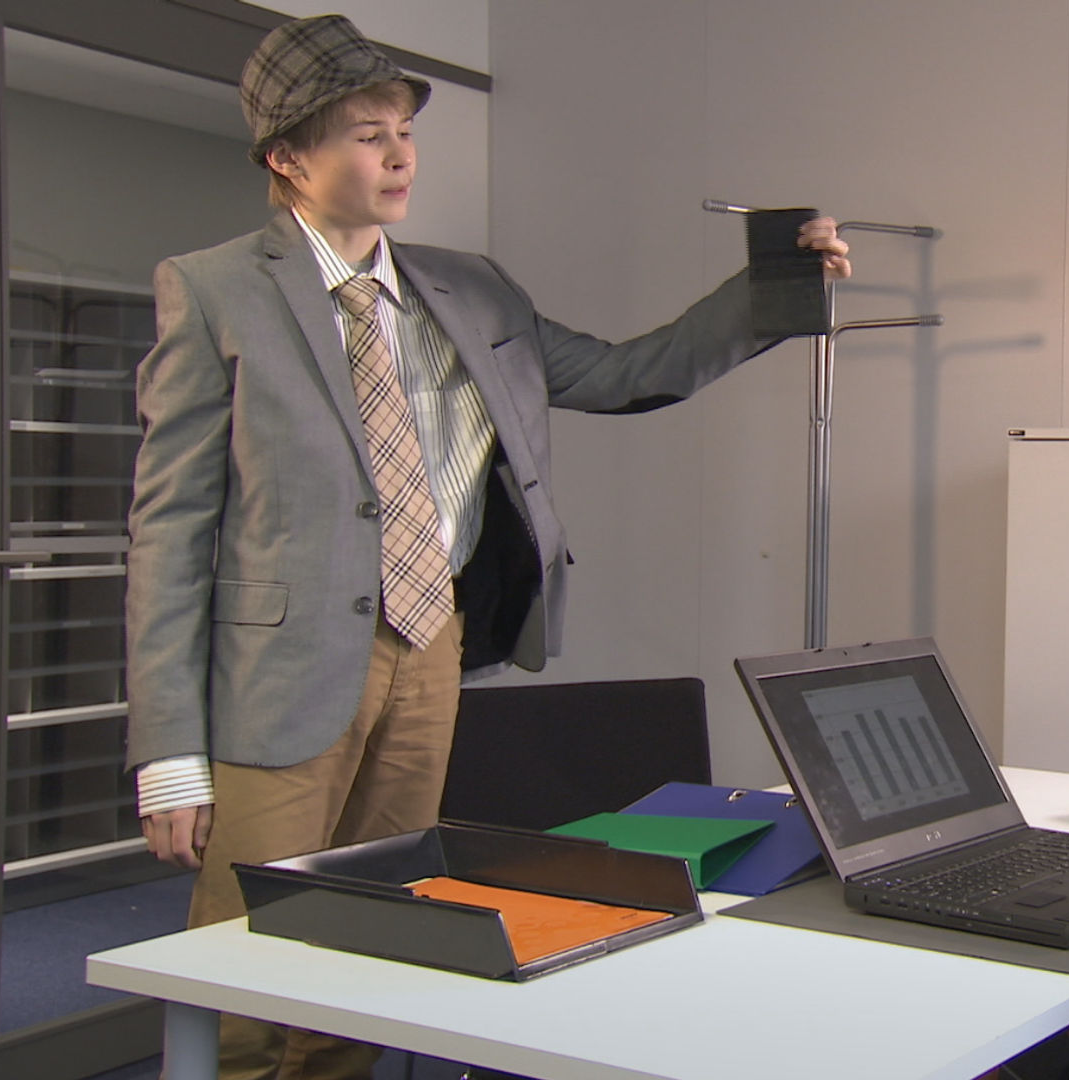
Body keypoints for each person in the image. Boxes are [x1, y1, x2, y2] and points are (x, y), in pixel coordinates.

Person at [123, 14, 849, 1078]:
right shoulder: (215, 288)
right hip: (276, 671)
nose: (400, 155)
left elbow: (625, 373)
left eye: (404, 132)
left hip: (432, 648)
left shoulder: (472, 287)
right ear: (287, 158)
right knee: (246, 957)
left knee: (377, 928)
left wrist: (773, 291)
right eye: (367, 135)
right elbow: (170, 529)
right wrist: (169, 756)